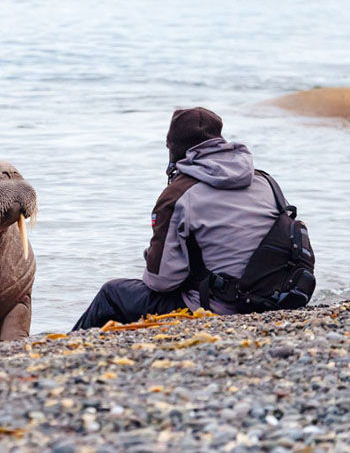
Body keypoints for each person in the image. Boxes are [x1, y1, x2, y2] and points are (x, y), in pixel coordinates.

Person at [73, 107, 292, 330]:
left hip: (220, 306)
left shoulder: (178, 194)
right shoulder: (265, 181)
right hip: (279, 298)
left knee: (113, 293)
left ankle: (69, 351)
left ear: (174, 147)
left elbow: (162, 281)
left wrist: (154, 258)